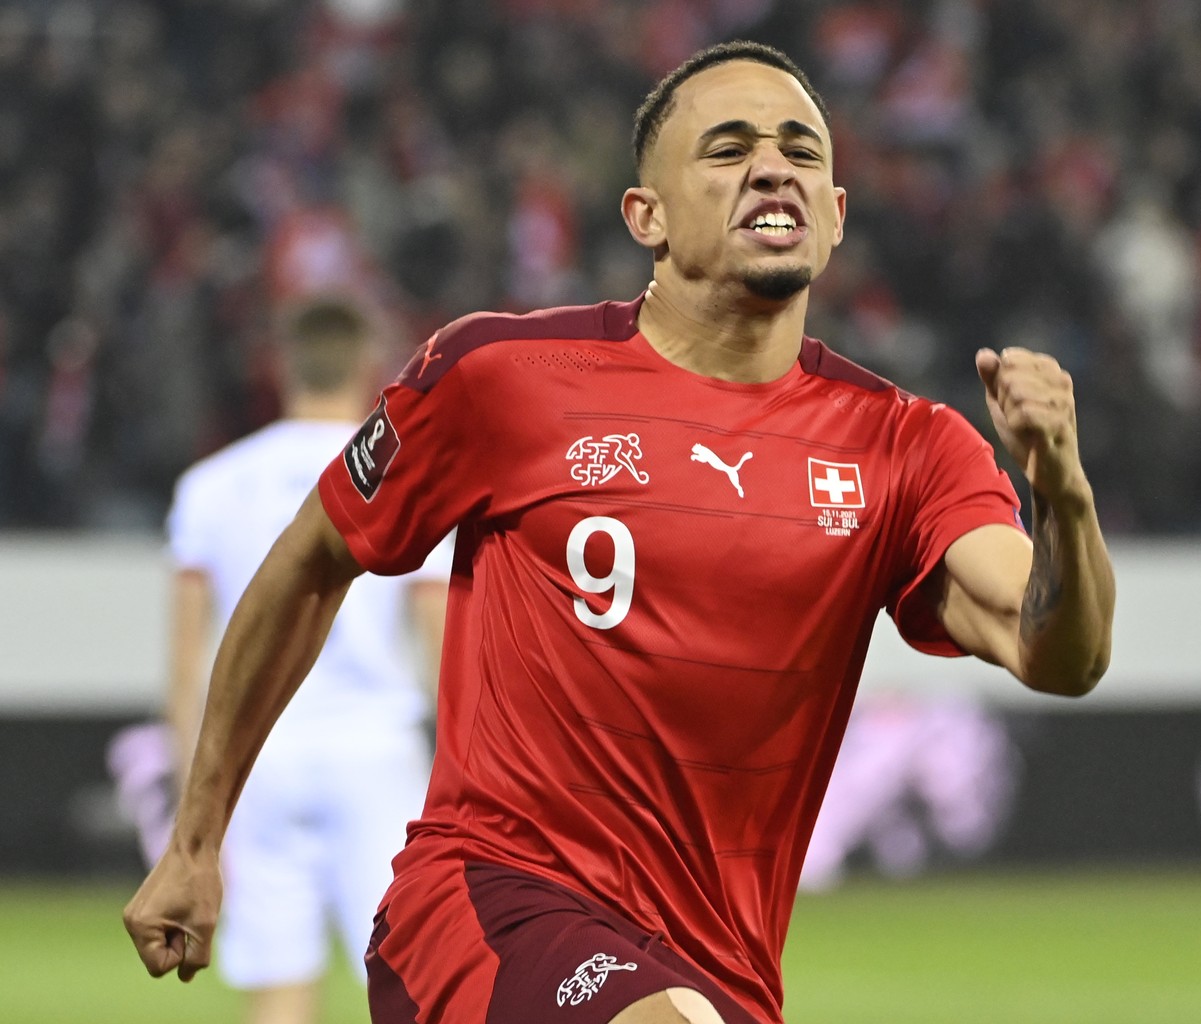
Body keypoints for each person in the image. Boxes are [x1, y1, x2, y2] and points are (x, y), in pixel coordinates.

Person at [125, 41, 1116, 1024]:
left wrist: (1063, 491)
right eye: (728, 149)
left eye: (801, 150)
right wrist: (198, 840)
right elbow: (311, 560)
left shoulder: (906, 448)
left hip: (716, 966)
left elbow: (1055, 652)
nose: (773, 166)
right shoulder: (499, 377)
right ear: (646, 215)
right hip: (488, 905)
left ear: (837, 212)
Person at [158, 296, 450, 1024]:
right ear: (366, 366)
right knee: (420, 985)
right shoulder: (403, 473)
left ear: (281, 367)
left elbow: (187, 667)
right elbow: (443, 647)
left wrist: (193, 817)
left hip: (259, 758)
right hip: (376, 752)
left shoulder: (212, 485)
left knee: (279, 991)